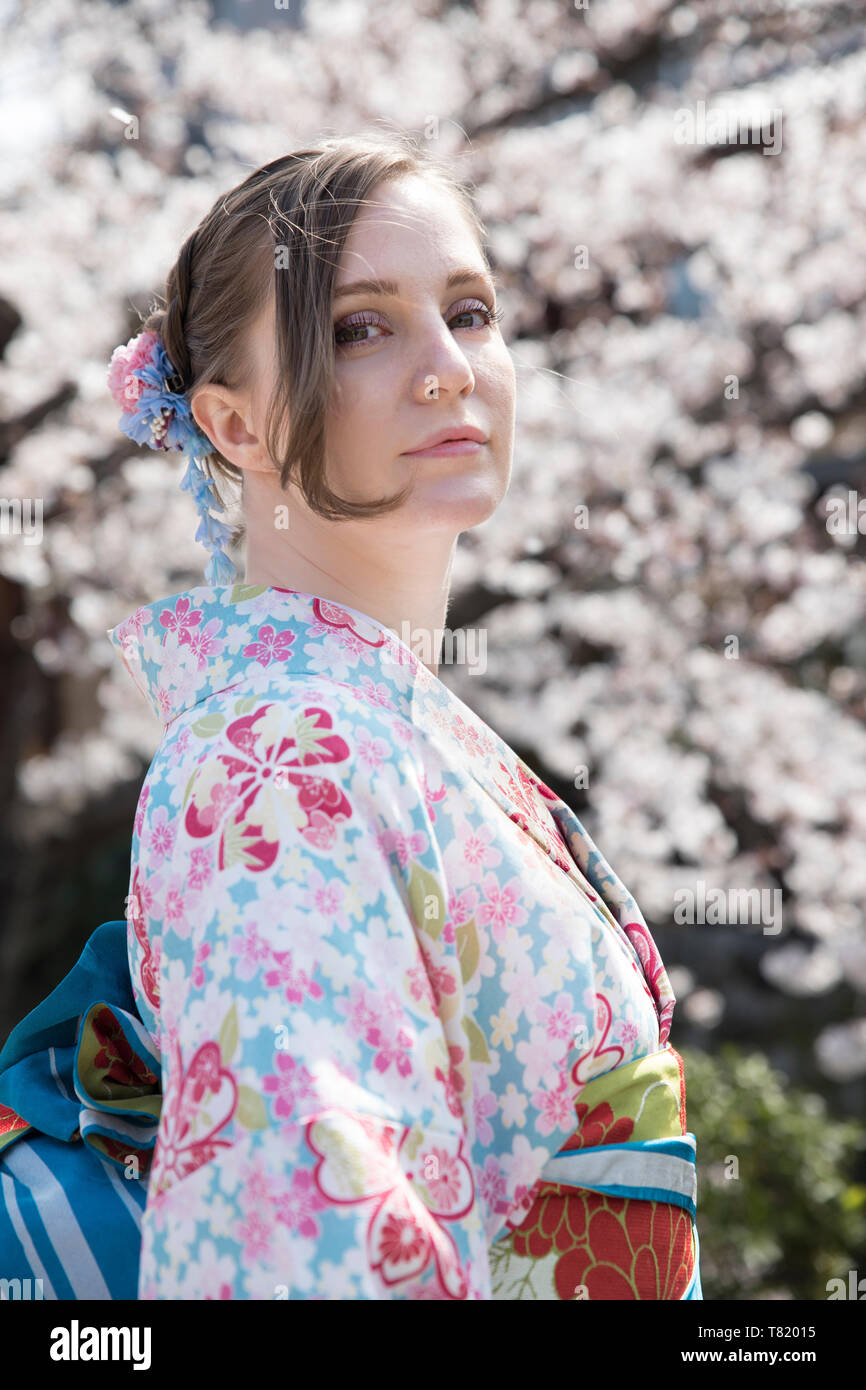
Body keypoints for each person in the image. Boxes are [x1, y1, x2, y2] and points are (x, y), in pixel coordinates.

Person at [0, 133, 701, 1300]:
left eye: (470, 312)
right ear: (233, 425)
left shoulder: (373, 727)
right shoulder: (278, 756)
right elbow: (306, 1238)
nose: (446, 368)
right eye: (358, 327)